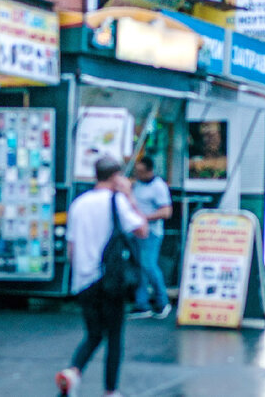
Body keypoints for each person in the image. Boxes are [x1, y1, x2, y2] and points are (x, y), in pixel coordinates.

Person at [56, 156, 148, 397]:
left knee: (94, 333)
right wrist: (130, 196)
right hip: (110, 279)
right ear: (116, 176)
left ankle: (73, 372)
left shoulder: (78, 204)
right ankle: (110, 390)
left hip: (83, 280)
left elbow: (71, 248)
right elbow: (142, 230)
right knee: (115, 336)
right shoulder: (117, 201)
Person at [129, 156, 173, 319]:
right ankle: (142, 304)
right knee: (139, 267)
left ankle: (162, 301)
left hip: (151, 232)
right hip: (135, 231)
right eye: (137, 172)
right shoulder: (137, 184)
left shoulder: (158, 187)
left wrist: (144, 218)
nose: (138, 175)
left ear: (150, 171)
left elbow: (166, 212)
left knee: (148, 265)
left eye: (141, 172)